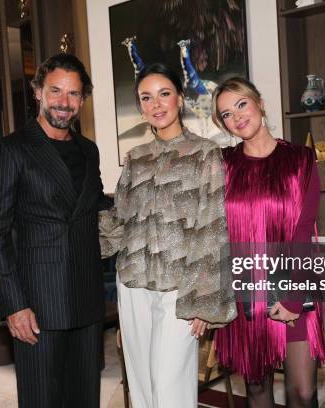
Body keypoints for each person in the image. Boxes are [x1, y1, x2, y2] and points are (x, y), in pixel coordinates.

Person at [100, 63, 237, 407]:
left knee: (169, 384)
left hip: (182, 286)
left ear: (179, 99)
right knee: (143, 383)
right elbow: (120, 220)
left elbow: (213, 227)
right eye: (146, 98)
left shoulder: (205, 153)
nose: (156, 104)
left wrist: (203, 301)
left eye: (164, 94)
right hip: (133, 282)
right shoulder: (136, 157)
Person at [0, 53, 108, 408]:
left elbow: (96, 208)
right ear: (38, 92)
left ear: (82, 100)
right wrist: (14, 304)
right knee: (42, 400)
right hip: (38, 305)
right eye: (56, 91)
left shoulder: (89, 151)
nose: (64, 103)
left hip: (86, 298)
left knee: (85, 399)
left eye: (73, 94)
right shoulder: (9, 150)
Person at [211, 77, 325, 408]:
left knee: (302, 393)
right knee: (258, 390)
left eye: (241, 104)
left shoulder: (301, 160)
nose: (237, 116)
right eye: (227, 114)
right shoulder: (222, 165)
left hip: (296, 285)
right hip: (244, 288)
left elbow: (304, 230)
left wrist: (293, 298)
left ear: (259, 103)